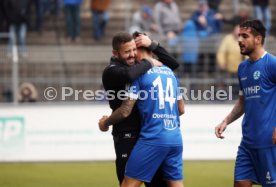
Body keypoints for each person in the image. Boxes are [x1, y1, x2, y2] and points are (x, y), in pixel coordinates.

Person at [99, 36, 185, 187]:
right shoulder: (112, 71)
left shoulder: (143, 72)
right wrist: (150, 61)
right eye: (128, 51)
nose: (132, 54)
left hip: (148, 137)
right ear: (115, 53)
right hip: (128, 137)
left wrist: (154, 45)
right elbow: (129, 75)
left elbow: (173, 64)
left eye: (134, 50)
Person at [215, 20, 276, 187]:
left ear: (258, 39)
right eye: (238, 36)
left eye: (245, 36)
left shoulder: (272, 64)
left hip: (269, 143)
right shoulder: (242, 68)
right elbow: (243, 102)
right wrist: (225, 121)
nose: (239, 40)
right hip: (247, 143)